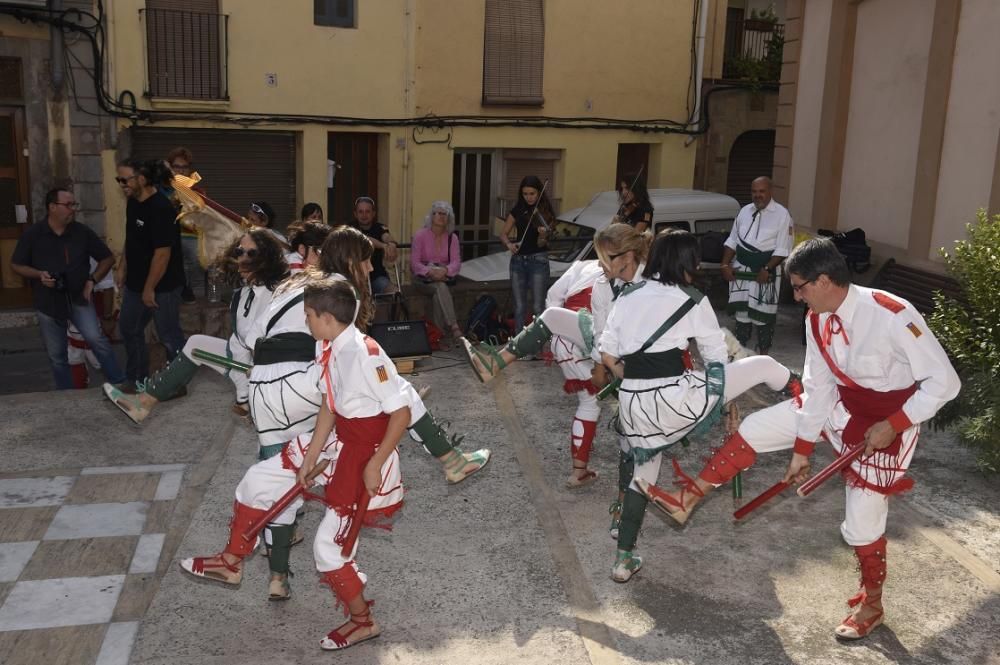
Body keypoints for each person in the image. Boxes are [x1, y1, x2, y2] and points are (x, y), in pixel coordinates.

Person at [637, 237, 960, 639]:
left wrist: (894, 423)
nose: (796, 295)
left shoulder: (893, 315)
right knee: (756, 428)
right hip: (839, 408)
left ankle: (872, 603)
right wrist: (802, 449)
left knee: (861, 525)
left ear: (825, 281)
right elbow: (819, 386)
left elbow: (944, 383)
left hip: (888, 424)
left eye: (800, 286)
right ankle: (689, 499)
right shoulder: (816, 319)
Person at [600, 230, 799, 584]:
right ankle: (806, 396)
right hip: (675, 401)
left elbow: (608, 353)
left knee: (643, 477)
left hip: (634, 405)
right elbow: (717, 358)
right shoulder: (692, 299)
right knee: (762, 366)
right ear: (686, 261)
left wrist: (634, 378)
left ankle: (622, 560)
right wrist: (723, 400)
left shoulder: (627, 296)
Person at [101, 229, 289, 423]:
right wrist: (243, 396)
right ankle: (143, 403)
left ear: (267, 258)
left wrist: (248, 396)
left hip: (276, 376)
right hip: (248, 366)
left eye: (252, 253)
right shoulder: (242, 294)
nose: (243, 258)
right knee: (197, 344)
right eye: (239, 252)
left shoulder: (277, 295)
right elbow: (239, 346)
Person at [11, 187, 126, 390]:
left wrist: (92, 280)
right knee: (57, 355)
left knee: (96, 340)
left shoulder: (81, 232)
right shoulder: (33, 234)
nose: (73, 209)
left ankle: (120, 383)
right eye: (68, 204)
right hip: (47, 302)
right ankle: (66, 396)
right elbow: (16, 264)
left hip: (79, 297)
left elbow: (107, 258)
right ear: (52, 207)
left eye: (74, 204)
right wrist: (39, 274)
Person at [115, 159, 187, 387]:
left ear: (142, 179)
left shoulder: (161, 209)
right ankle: (136, 378)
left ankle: (176, 383)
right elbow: (132, 239)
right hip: (136, 283)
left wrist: (149, 289)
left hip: (162, 286)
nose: (121, 184)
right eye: (119, 180)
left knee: (169, 335)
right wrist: (122, 266)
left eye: (124, 179)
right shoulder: (133, 203)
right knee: (129, 328)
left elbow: (162, 254)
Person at [721, 176, 794, 355]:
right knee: (742, 316)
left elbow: (783, 248)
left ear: (770, 191)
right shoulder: (744, 211)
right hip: (741, 271)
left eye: (761, 191)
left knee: (764, 318)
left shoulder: (782, 215)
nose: (757, 195)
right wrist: (724, 265)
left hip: (765, 273)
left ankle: (763, 358)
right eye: (754, 191)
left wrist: (767, 269)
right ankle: (739, 356)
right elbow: (732, 240)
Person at [500, 175, 554, 334]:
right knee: (519, 306)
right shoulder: (518, 209)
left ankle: (536, 345)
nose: (529, 197)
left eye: (532, 194)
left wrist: (543, 235)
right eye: (525, 194)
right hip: (518, 261)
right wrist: (509, 244)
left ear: (539, 193)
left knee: (538, 306)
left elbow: (542, 244)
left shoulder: (545, 211)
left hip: (538, 260)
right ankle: (518, 346)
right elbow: (503, 234)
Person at [410, 201, 463, 341]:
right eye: (437, 213)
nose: (440, 216)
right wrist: (431, 272)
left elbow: (456, 263)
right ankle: (454, 326)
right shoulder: (420, 235)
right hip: (422, 279)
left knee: (439, 290)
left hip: (442, 278)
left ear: (449, 218)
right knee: (440, 287)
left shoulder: (453, 238)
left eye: (444, 214)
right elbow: (415, 263)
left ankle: (438, 337)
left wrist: (445, 270)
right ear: (431, 217)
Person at [166, 147, 201, 303]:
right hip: (167, 233)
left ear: (189, 169)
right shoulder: (161, 187)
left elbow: (202, 212)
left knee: (194, 258)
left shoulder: (196, 188)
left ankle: (186, 287)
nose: (180, 170)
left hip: (189, 233)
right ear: (170, 167)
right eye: (176, 166)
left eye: (184, 167)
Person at [349, 196, 398, 295]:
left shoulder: (379, 227)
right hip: (355, 277)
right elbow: (365, 240)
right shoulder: (350, 228)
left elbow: (386, 236)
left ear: (373, 213)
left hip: (377, 276)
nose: (364, 215)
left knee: (395, 293)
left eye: (367, 211)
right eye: (361, 212)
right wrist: (384, 246)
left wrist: (392, 244)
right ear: (355, 214)